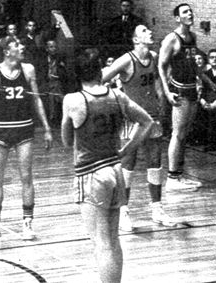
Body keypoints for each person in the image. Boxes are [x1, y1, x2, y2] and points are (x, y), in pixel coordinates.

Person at [61, 49, 153, 283]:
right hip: (115, 168)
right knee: (113, 240)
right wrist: (127, 149)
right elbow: (146, 122)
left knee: (101, 243)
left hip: (91, 172)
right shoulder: (118, 96)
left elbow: (66, 140)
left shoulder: (73, 100)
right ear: (99, 70)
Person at [0, 38, 53, 241]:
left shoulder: (29, 69)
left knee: (26, 178)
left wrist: (47, 128)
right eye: (17, 45)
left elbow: (36, 99)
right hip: (0, 133)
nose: (22, 47)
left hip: (24, 130)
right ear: (7, 51)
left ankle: (27, 224)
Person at [101, 24, 179, 232]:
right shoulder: (126, 60)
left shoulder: (154, 57)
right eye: (144, 31)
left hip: (152, 117)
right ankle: (123, 211)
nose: (150, 33)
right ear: (136, 40)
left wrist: (164, 95)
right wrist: (114, 100)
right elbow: (101, 79)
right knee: (128, 164)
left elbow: (159, 80)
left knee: (155, 163)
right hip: (131, 119)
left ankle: (157, 209)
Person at [158, 3, 205, 189]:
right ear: (178, 18)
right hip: (179, 90)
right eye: (185, 12)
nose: (190, 13)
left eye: (191, 10)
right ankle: (171, 178)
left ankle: (179, 175)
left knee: (185, 134)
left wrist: (201, 80)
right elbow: (161, 66)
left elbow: (192, 64)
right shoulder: (171, 39)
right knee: (177, 134)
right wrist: (167, 92)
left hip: (192, 87)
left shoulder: (192, 37)